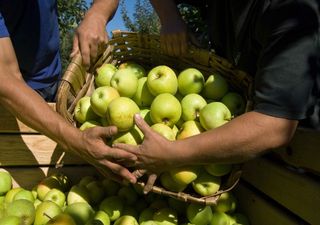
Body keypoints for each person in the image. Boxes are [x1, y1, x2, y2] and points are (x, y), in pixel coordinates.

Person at [112, 0, 320, 191]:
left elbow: (275, 126)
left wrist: (172, 153)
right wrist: (169, 17)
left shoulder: (292, 9)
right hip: (229, 152)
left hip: (295, 169)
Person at [0, 0, 138, 184]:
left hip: (52, 82)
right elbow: (8, 77)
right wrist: (76, 141)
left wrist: (98, 13)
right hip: (12, 91)